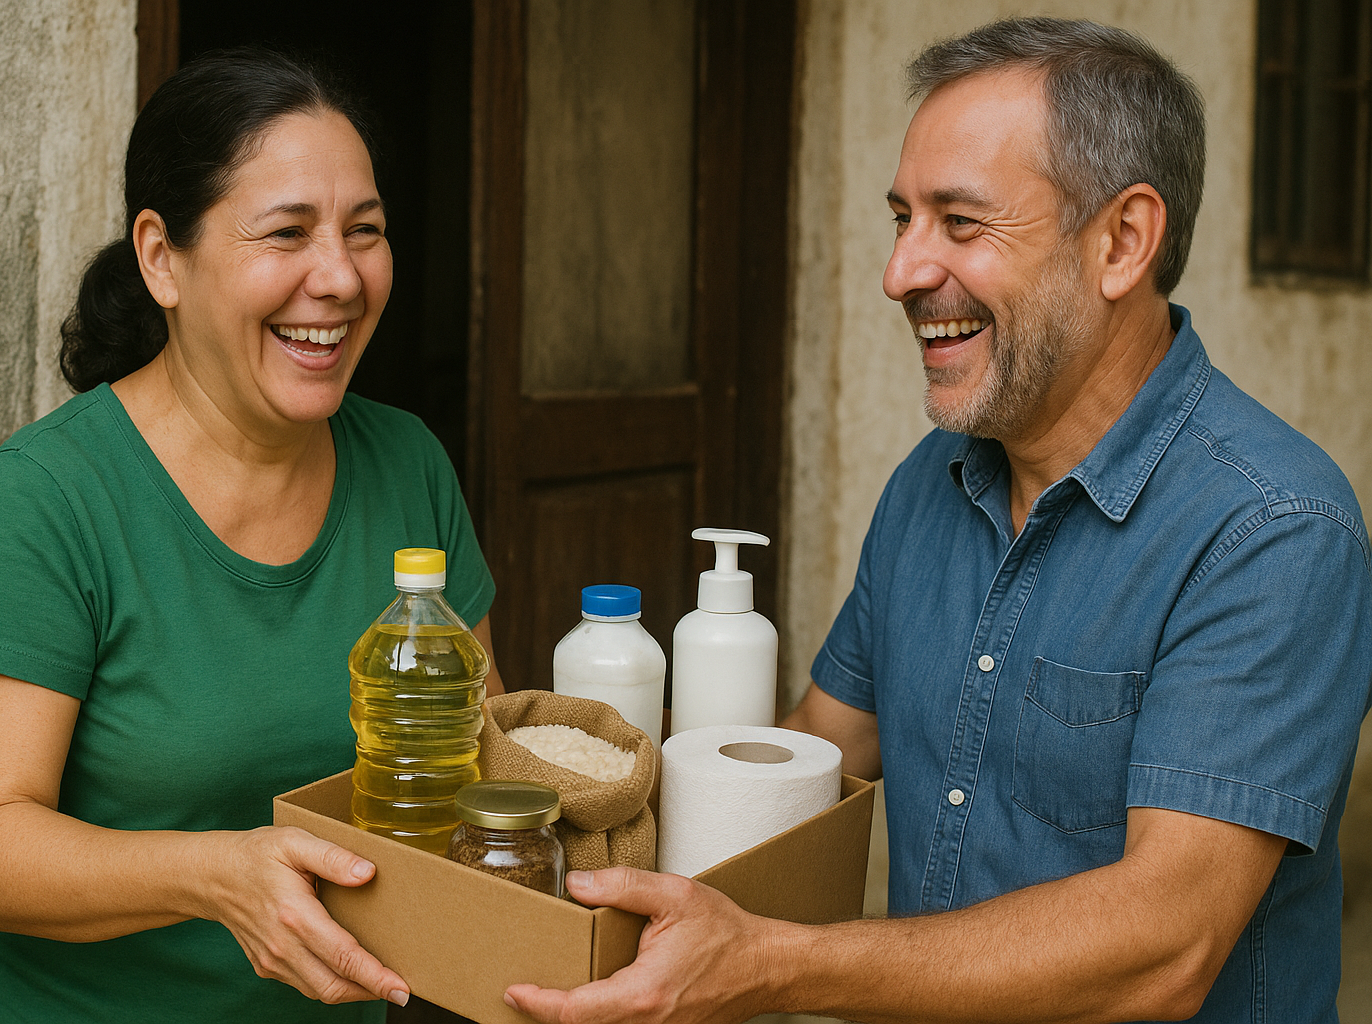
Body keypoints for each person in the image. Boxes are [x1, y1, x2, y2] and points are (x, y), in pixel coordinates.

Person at [505, 17, 1372, 1024]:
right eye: (901, 219)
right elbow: (806, 762)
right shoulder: (931, 483)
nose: (902, 272)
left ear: (1123, 240)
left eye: (960, 223)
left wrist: (772, 963)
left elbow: (1164, 945)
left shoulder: (1273, 528)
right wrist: (577, 823)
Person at [0, 49, 502, 1023]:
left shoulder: (408, 466)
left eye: (366, 231)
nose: (340, 277)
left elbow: (469, 754)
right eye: (287, 233)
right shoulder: (50, 496)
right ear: (161, 258)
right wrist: (220, 873)